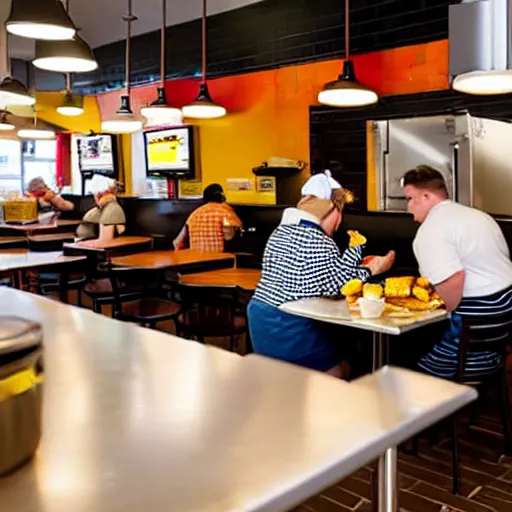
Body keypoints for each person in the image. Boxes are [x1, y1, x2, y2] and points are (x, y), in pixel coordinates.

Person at [247, 172, 395, 378]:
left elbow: (328, 273)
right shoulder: (316, 239)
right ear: (332, 210)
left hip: (262, 319)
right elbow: (338, 285)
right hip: (287, 326)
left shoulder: (281, 232)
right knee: (342, 370)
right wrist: (374, 268)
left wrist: (355, 250)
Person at [403, 165, 512, 378]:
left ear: (426, 196)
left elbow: (454, 281)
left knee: (408, 363)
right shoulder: (478, 216)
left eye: (409, 198)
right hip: (504, 322)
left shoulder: (430, 232)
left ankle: (434, 397)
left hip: (476, 326)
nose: (408, 208)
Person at [173, 183, 242, 252]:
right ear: (222, 196)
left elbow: (177, 242)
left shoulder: (194, 214)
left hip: (196, 260)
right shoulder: (225, 211)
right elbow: (229, 237)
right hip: (219, 259)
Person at [76, 175, 126, 249]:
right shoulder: (99, 209)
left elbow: (105, 242)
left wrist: (82, 244)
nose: (95, 196)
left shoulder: (112, 210)